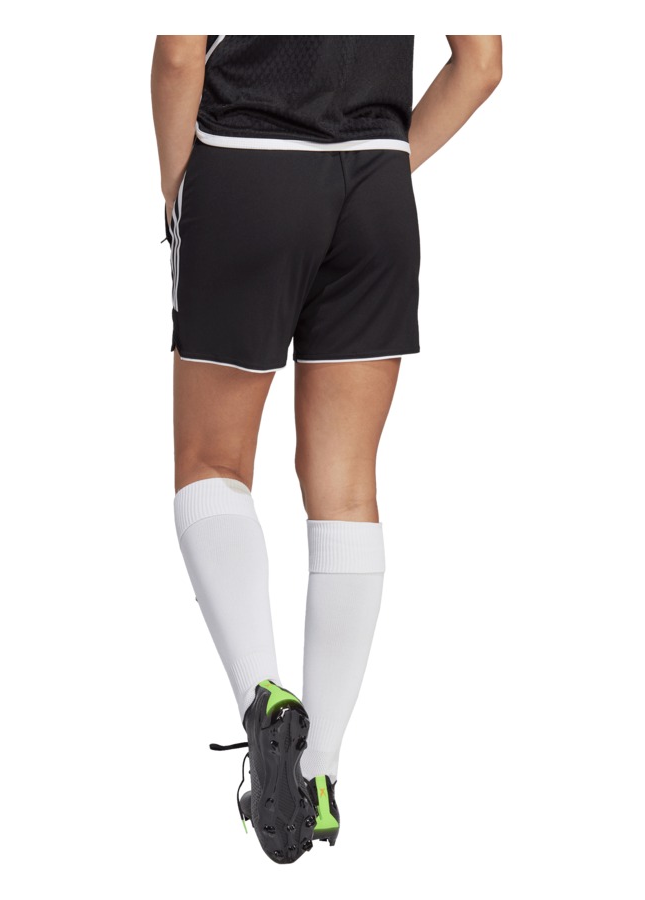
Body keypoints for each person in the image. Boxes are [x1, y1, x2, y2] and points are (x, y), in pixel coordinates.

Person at [151, 34, 502, 865]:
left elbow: (179, 55)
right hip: (376, 183)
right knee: (345, 485)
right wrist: (384, 167)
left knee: (211, 462)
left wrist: (177, 189)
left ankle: (263, 698)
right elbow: (483, 63)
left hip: (244, 163)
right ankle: (319, 771)